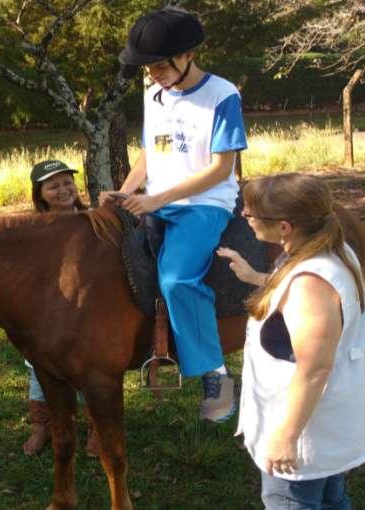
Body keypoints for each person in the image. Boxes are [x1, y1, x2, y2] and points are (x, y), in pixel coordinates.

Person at [103, 8, 248, 422]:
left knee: (176, 278)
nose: (154, 74)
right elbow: (152, 153)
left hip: (204, 204)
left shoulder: (222, 95)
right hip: (156, 198)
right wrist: (126, 191)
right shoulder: (153, 95)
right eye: (148, 68)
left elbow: (222, 169)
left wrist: (157, 199)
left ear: (188, 55)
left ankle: (217, 376)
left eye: (161, 65)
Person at [217, 173, 365, 509]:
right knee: (331, 499)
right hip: (325, 425)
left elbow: (315, 370)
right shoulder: (331, 253)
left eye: (251, 214)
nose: (245, 218)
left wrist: (286, 436)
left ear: (284, 227)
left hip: (307, 433)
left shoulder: (311, 282)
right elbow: (308, 303)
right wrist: (257, 278)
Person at [23, 159, 101, 458]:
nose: (63, 189)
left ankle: (95, 425)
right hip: (48, 312)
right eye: (53, 186)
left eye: (67, 182)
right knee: (38, 369)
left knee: (88, 368)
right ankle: (42, 425)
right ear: (40, 193)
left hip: (87, 308)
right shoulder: (32, 230)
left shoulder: (91, 220)